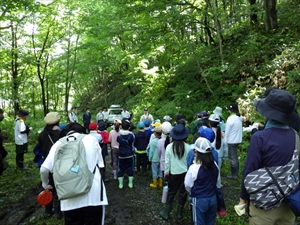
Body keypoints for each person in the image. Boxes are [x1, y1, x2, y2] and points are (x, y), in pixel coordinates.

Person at [237, 89, 299, 225]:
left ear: (268, 113)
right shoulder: (295, 135)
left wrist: (243, 199)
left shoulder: (259, 137)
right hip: (288, 203)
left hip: (263, 204)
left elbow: (249, 171)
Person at [40, 122, 108, 225]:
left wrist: (45, 184)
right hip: (93, 196)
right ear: (82, 131)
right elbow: (101, 164)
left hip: (68, 198)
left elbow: (44, 169)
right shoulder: (91, 139)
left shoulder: (58, 144)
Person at [184, 137, 220, 225]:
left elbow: (187, 185)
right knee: (210, 222)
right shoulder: (215, 165)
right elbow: (218, 182)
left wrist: (193, 192)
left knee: (198, 222)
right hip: (213, 198)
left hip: (199, 200)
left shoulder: (194, 167)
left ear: (196, 153)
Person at [160, 123, 190, 220]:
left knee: (171, 192)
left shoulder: (169, 147)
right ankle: (179, 213)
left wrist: (166, 174)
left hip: (173, 173)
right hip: (185, 173)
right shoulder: (188, 147)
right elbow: (189, 162)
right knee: (183, 192)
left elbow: (167, 163)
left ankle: (166, 212)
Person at [38, 112, 63, 219]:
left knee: (48, 187)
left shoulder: (42, 135)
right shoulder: (60, 134)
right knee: (58, 188)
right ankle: (58, 213)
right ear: (57, 122)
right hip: (58, 165)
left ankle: (47, 211)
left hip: (46, 165)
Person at [225, 103, 243, 179]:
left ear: (230, 110)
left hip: (231, 141)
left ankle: (234, 174)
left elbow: (227, 132)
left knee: (232, 158)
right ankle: (235, 172)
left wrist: (225, 140)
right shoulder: (239, 118)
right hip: (237, 140)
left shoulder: (230, 119)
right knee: (235, 157)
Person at [117, 119, 135, 189]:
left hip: (121, 155)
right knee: (130, 168)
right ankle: (130, 183)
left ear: (121, 127)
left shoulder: (119, 137)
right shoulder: (131, 136)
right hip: (129, 154)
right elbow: (133, 143)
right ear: (129, 127)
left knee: (121, 169)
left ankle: (120, 184)